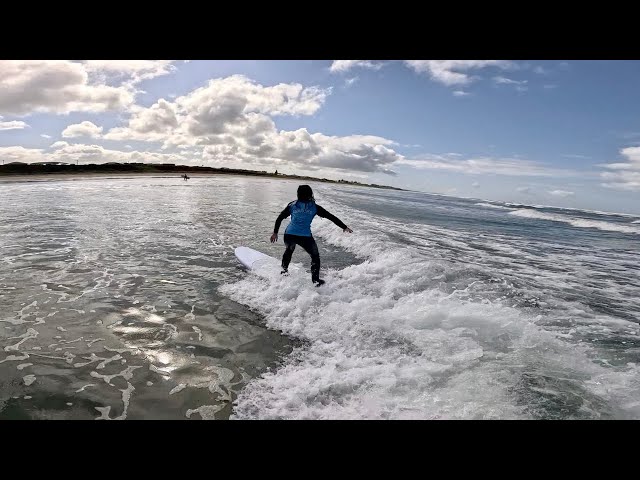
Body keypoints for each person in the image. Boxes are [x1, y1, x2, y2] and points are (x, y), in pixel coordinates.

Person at [270, 185, 352, 286]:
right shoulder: (315, 207)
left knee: (289, 250)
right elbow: (331, 217)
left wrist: (275, 232)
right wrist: (344, 227)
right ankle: (315, 281)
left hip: (289, 234)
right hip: (305, 236)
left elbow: (280, 217)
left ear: (298, 194)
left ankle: (284, 271)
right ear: (310, 194)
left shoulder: (292, 205)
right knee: (315, 256)